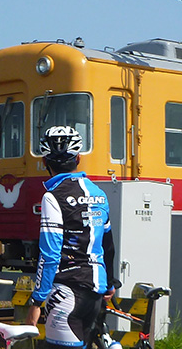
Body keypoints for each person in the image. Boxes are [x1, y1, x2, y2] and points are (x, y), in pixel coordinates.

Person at [24, 126, 119, 349]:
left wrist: (37, 302)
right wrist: (111, 284)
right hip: (96, 291)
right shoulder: (98, 193)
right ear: (78, 158)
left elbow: (49, 255)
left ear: (45, 162)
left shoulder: (52, 197)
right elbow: (108, 244)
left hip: (67, 292)